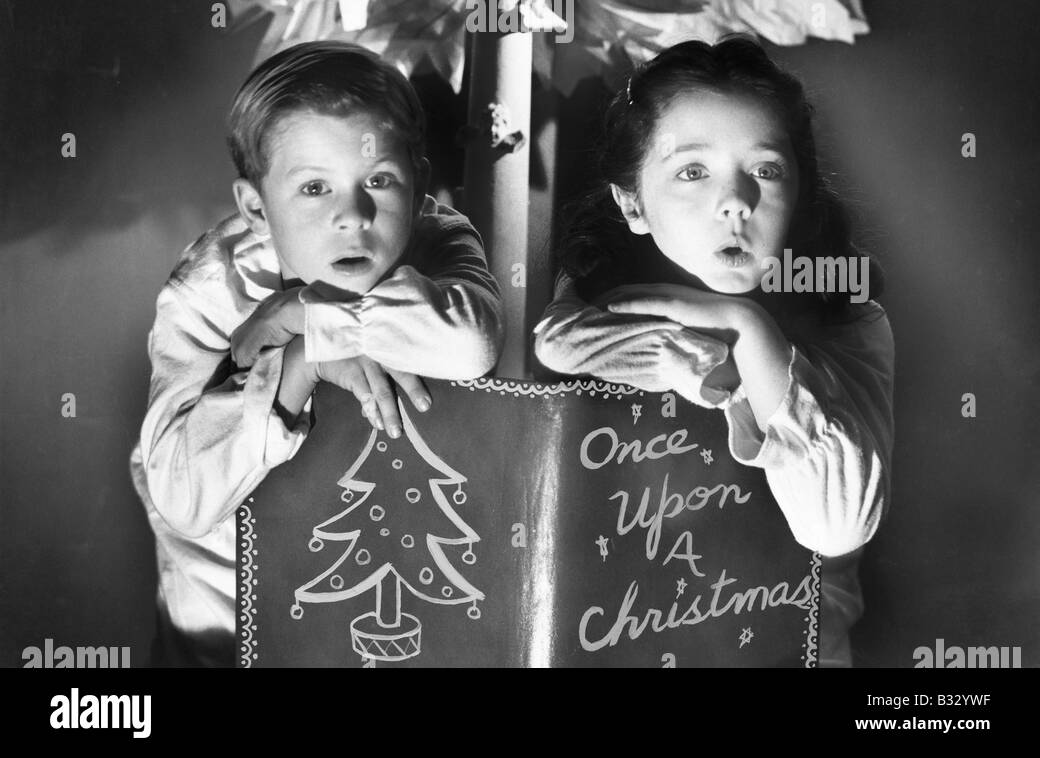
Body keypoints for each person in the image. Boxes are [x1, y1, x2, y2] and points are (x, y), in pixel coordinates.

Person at [131, 42, 503, 667]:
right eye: (313, 188)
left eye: (379, 181)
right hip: (216, 631)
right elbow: (181, 498)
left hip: (343, 632)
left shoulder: (438, 235)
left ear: (419, 190)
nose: (352, 216)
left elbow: (470, 345)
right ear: (255, 208)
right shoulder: (206, 290)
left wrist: (311, 323)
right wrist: (303, 365)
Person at [534, 37, 893, 668]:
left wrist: (747, 326)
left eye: (766, 170)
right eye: (692, 172)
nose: (736, 202)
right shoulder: (598, 288)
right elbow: (560, 349)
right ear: (631, 203)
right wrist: (722, 363)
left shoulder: (851, 319)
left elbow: (836, 526)